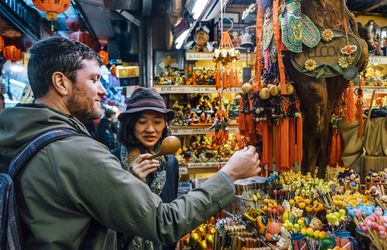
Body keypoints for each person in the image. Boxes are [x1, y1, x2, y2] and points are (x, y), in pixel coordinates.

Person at [0, 37, 260, 250]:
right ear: (60, 83)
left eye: (158, 122)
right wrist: (230, 173)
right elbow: (164, 222)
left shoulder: (17, 136)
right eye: (93, 79)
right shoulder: (76, 153)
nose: (101, 90)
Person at [115, 87, 179, 250]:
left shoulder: (170, 162)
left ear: (165, 124)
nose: (150, 129)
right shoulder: (111, 160)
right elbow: (108, 221)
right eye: (142, 122)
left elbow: (171, 212)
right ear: (130, 125)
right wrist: (132, 184)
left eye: (157, 122)